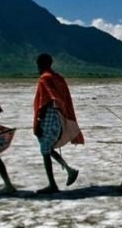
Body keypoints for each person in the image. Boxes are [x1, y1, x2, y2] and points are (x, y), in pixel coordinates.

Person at [33, 53, 84, 193]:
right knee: (48, 149)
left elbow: (44, 102)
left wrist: (38, 122)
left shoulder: (44, 79)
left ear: (40, 64)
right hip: (58, 117)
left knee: (45, 151)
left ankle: (53, 184)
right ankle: (69, 170)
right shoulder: (58, 78)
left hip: (48, 118)